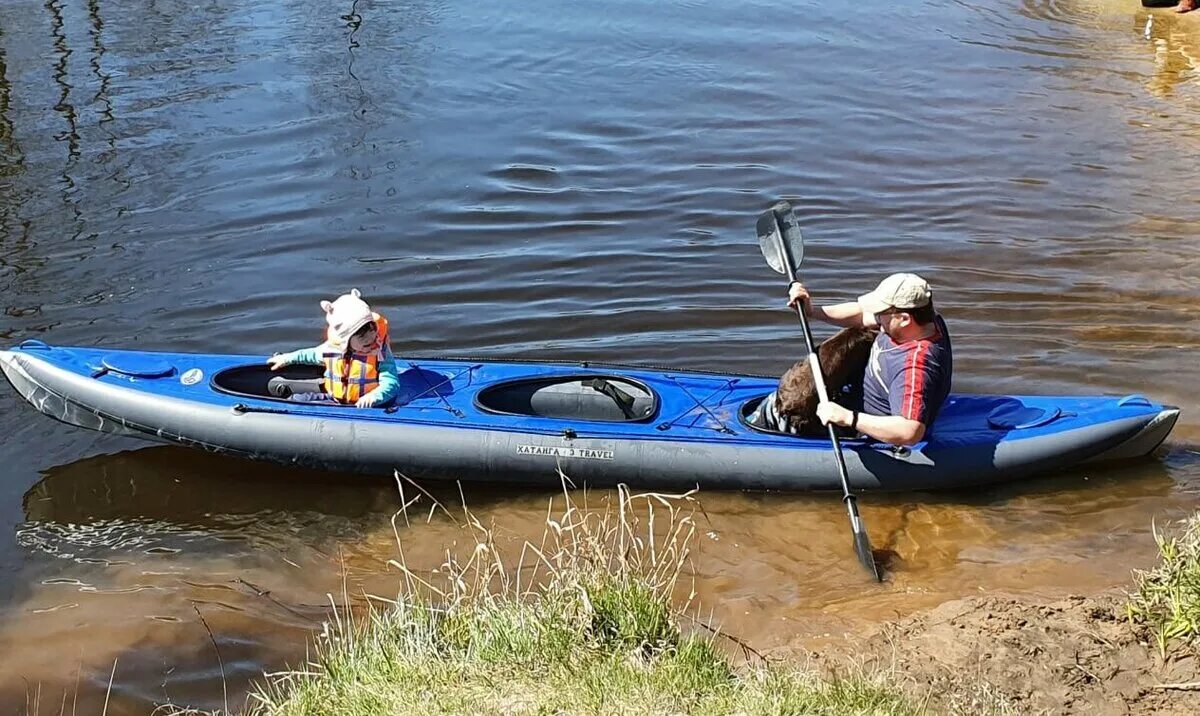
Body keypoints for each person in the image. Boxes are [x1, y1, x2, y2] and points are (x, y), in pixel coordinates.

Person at [786, 273, 953, 446]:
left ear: (904, 319)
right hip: (860, 392)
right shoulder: (921, 319)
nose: (876, 316)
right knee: (855, 335)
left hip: (870, 426)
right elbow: (861, 314)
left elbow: (910, 431)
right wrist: (812, 311)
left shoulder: (915, 367)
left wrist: (848, 417)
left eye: (881, 312)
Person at [265, 289, 400, 408]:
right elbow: (310, 355)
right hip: (334, 400)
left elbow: (391, 383)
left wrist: (374, 397)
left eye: (372, 330)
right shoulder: (332, 349)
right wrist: (287, 358)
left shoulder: (380, 352)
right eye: (361, 337)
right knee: (296, 400)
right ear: (346, 340)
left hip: (366, 405)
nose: (370, 339)